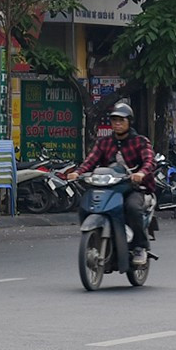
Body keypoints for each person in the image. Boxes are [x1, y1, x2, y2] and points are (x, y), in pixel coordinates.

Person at [62, 102, 156, 265]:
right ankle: (95, 238)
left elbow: (149, 161)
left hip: (134, 188)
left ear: (129, 122)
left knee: (132, 208)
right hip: (108, 187)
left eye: (121, 120)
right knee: (85, 205)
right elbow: (91, 160)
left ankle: (140, 247)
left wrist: (140, 173)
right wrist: (78, 173)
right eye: (114, 120)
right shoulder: (104, 142)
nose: (117, 124)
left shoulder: (140, 141)